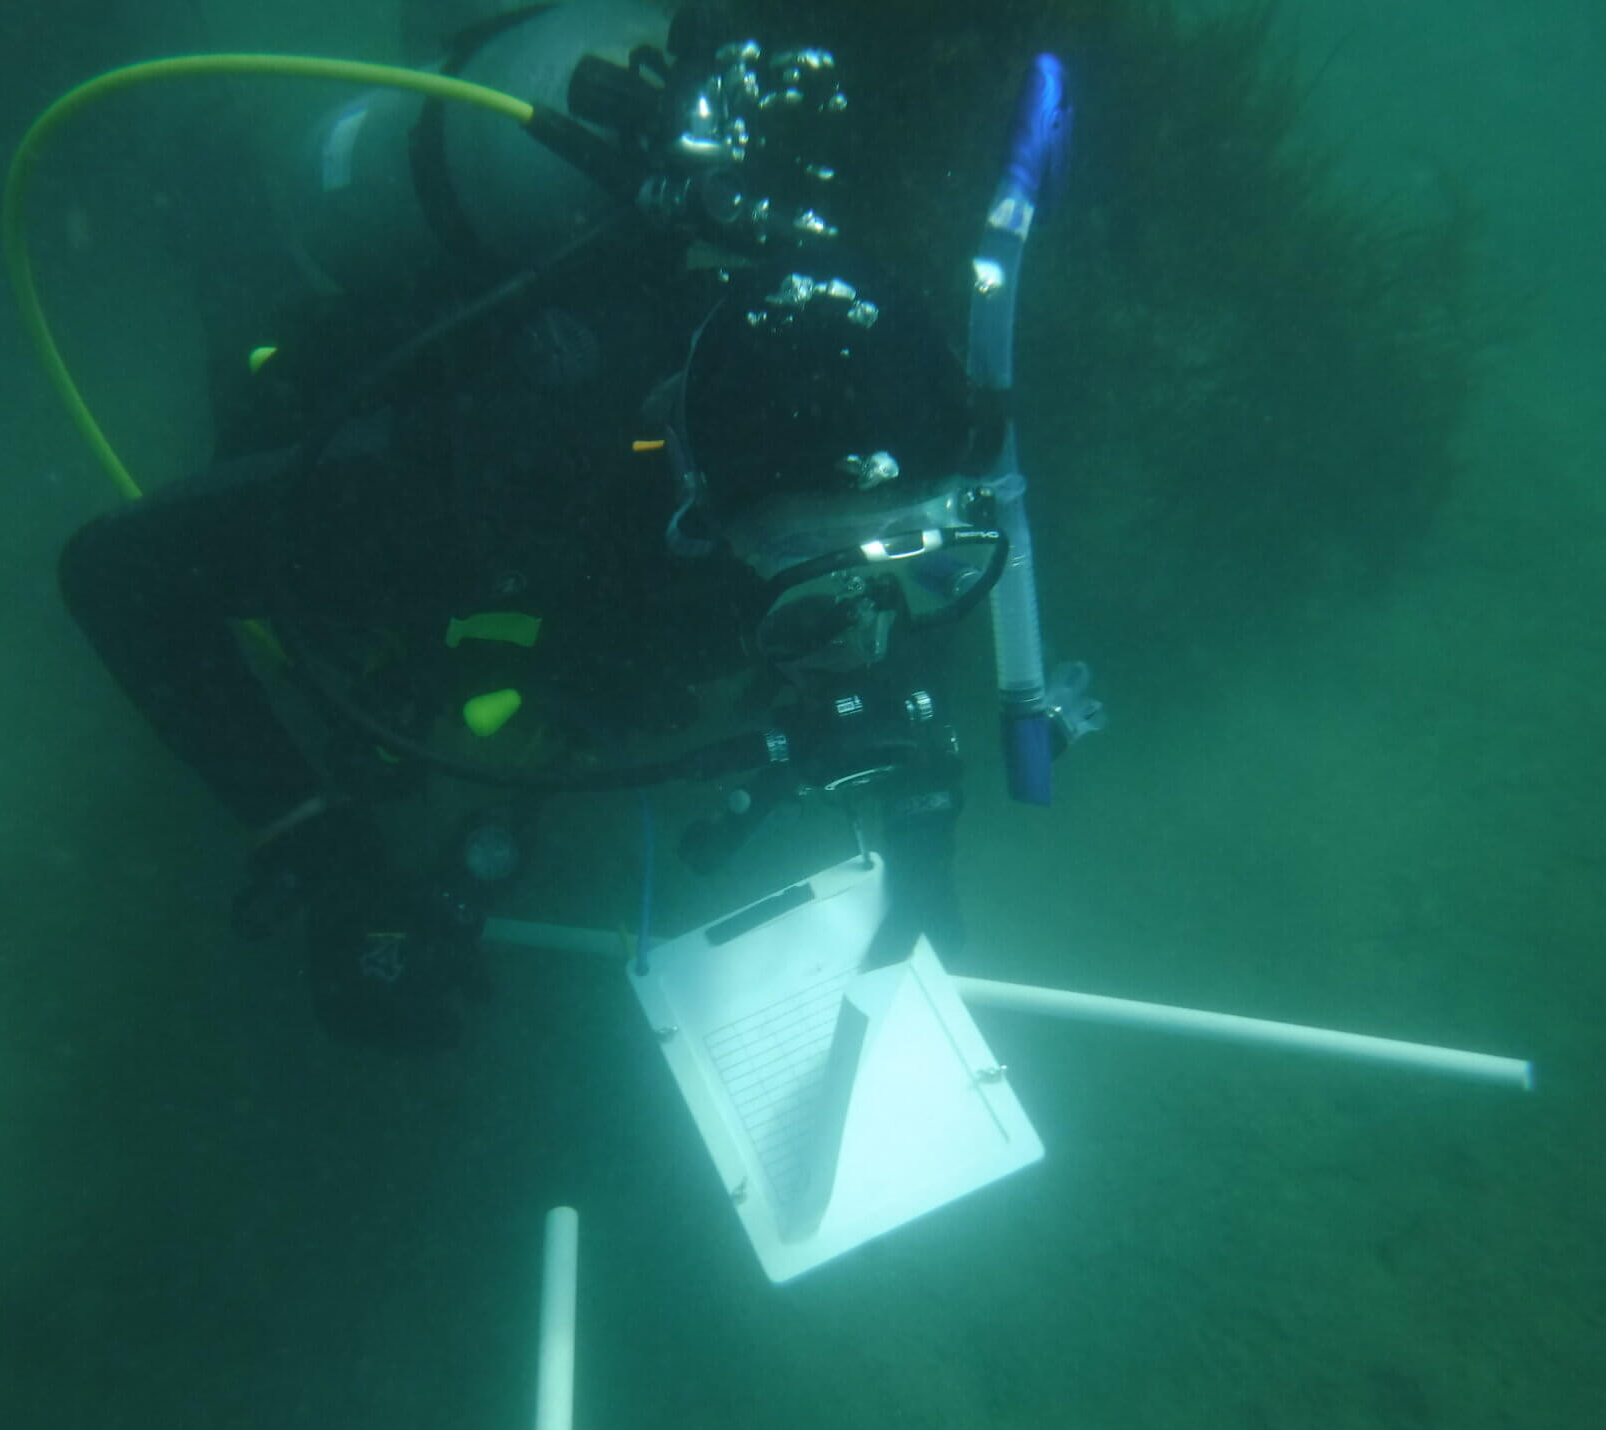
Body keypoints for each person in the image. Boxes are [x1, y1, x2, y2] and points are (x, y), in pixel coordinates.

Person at [57, 6, 1000, 1050]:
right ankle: (206, 163)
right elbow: (116, 572)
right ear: (697, 504)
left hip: (593, 574)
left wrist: (922, 822)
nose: (869, 622)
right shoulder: (476, 484)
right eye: (815, 577)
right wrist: (324, 854)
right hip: (404, 419)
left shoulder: (882, 408)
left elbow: (898, 563)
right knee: (246, 331)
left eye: (912, 551)